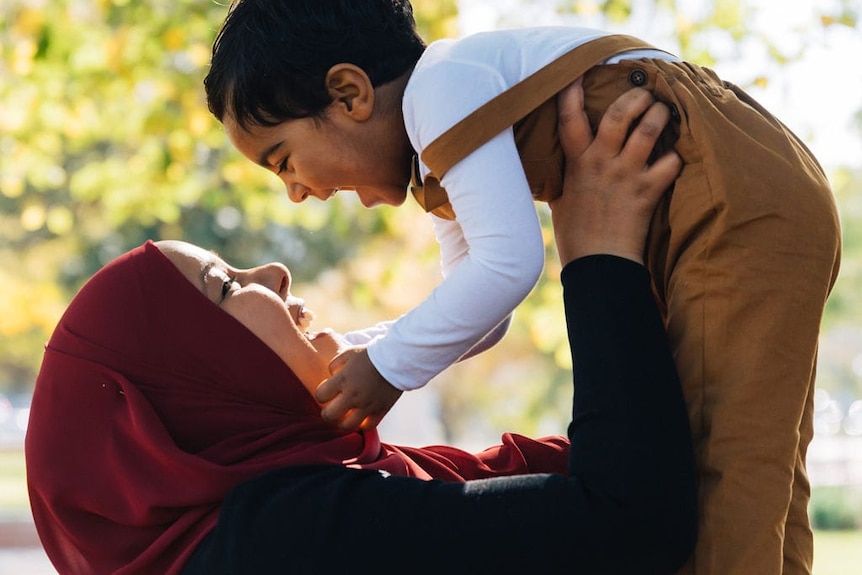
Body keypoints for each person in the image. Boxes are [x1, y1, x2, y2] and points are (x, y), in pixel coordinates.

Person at [202, 2, 843, 574]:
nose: (294, 191)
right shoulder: (442, 148)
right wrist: (367, 345)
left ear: (348, 94)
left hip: (728, 194)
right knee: (758, 464)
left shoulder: (442, 89)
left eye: (283, 159)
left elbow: (509, 267)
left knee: (724, 463)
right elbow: (481, 306)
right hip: (732, 199)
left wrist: (390, 367)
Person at [25, 89, 696, 574]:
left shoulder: (282, 515)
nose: (276, 272)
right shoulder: (280, 539)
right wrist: (600, 254)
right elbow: (630, 519)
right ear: (188, 388)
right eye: (226, 286)